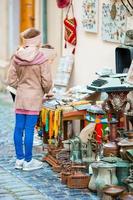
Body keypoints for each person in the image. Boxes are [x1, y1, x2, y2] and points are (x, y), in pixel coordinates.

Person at [7, 28, 54, 171]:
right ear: (37, 41)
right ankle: (28, 161)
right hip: (34, 98)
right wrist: (45, 91)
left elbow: (10, 80)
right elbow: (46, 81)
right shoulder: (41, 58)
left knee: (18, 128)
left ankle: (19, 159)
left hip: (21, 96)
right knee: (29, 129)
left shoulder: (17, 57)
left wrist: (21, 87)